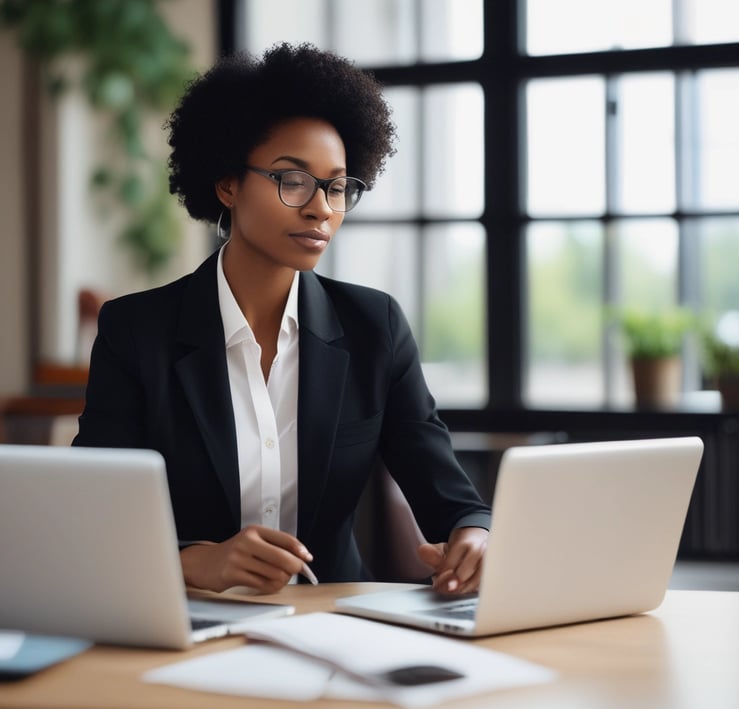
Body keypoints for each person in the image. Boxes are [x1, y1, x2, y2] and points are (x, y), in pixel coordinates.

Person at [73, 42, 490, 596]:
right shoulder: (137, 332)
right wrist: (196, 562)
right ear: (228, 184)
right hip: (185, 621)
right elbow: (94, 516)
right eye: (292, 180)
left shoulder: (374, 328)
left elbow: (452, 499)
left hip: (335, 623)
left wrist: (472, 536)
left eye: (338, 186)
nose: (321, 207)